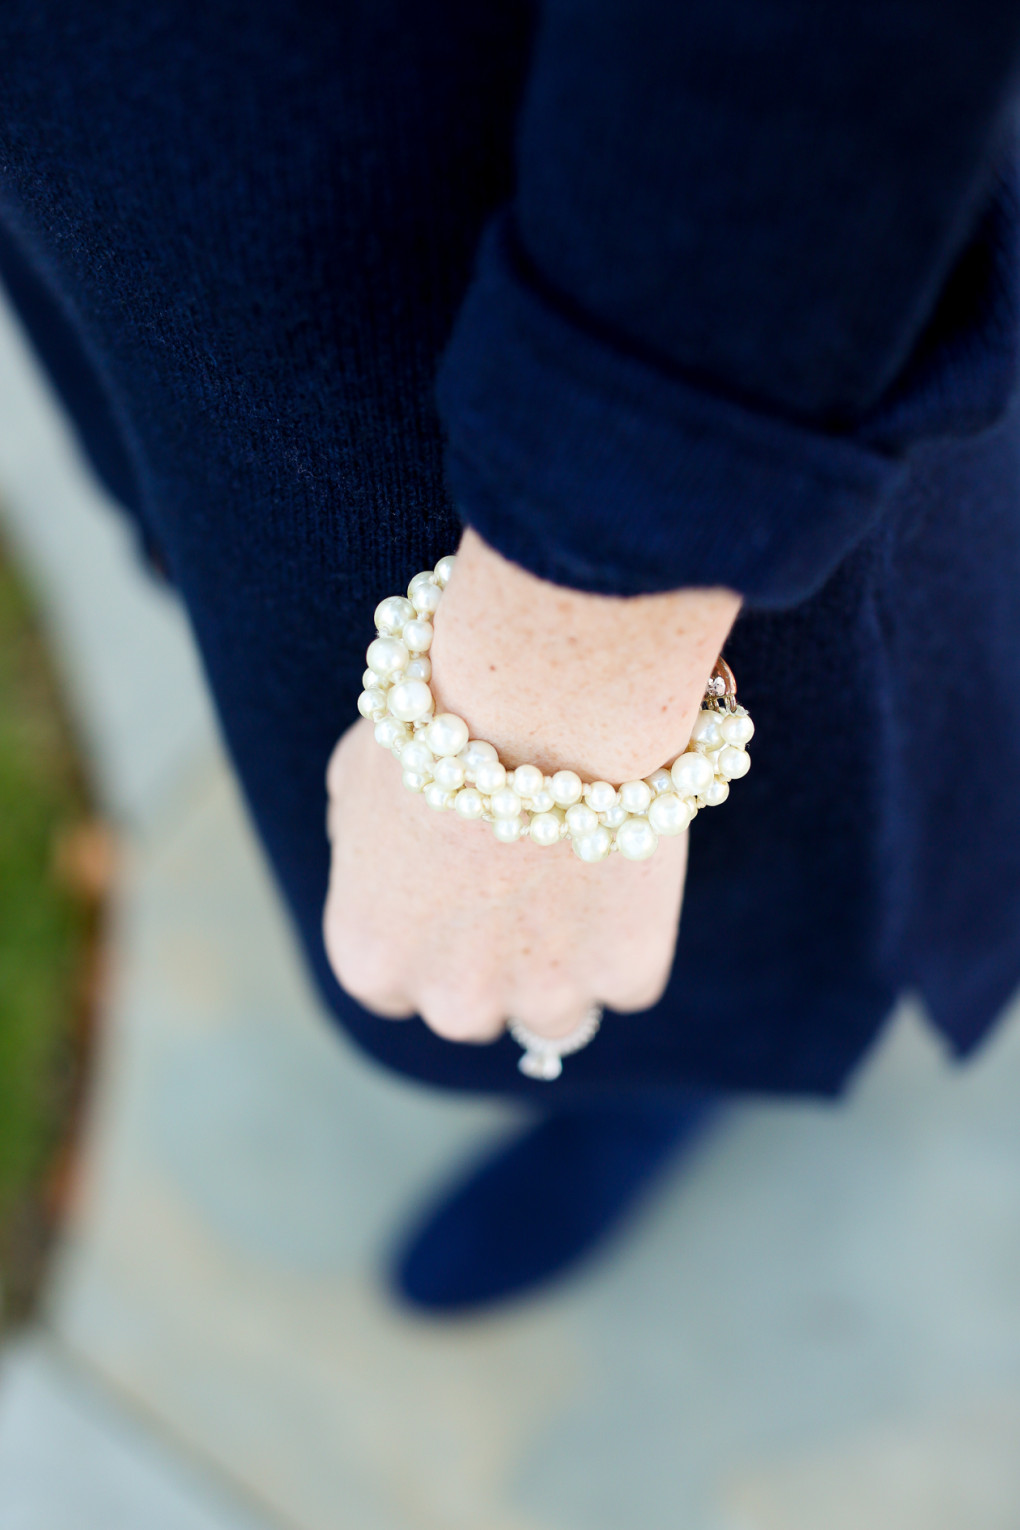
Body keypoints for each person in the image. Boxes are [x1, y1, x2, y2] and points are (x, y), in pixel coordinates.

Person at [2, 0, 1020, 1312]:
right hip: (126, 199)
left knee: (695, 897)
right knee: (212, 559)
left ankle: (669, 1066)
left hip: (525, 249)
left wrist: (563, 684)